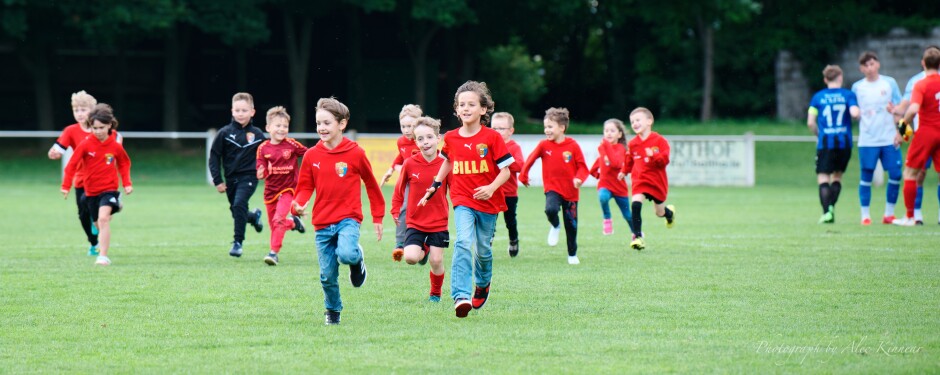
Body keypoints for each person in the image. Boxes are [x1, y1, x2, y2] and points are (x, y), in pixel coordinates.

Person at [418, 81, 514, 319]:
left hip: (489, 203)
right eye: (462, 104)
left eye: (472, 104)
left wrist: (491, 188)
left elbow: (506, 171)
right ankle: (461, 296)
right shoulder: (450, 138)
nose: (466, 108)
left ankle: (482, 284)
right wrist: (435, 185)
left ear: (483, 110)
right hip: (462, 200)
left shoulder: (492, 138)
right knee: (462, 242)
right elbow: (447, 161)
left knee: (482, 251)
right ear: (456, 110)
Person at [292, 97, 385, 325]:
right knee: (327, 276)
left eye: (327, 123)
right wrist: (298, 203)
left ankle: (357, 259)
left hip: (348, 218)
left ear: (341, 124)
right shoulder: (312, 155)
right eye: (318, 123)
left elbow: (372, 185)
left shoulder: (356, 153)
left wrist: (378, 216)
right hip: (322, 222)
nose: (321, 128)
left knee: (346, 254)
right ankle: (332, 312)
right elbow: (304, 186)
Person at [60, 104, 132, 266]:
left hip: (109, 189)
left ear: (109, 126)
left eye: (101, 127)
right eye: (94, 128)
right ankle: (116, 206)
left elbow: (124, 163)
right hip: (91, 191)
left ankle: (103, 256)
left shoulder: (114, 145)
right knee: (97, 223)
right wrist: (66, 185)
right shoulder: (86, 144)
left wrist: (127, 183)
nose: (98, 131)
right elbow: (72, 165)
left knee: (103, 219)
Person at [519, 107, 589, 265]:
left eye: (550, 127)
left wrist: (579, 179)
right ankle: (555, 225)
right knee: (550, 209)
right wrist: (523, 175)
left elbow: (583, 167)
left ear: (562, 128)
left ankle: (572, 254)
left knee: (571, 225)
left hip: (571, 193)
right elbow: (530, 159)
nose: (546, 130)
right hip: (552, 189)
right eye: (545, 127)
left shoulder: (573, 146)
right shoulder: (543, 145)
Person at [391, 116, 450, 302]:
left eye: (429, 137)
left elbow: (455, 189)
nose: (426, 143)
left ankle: (435, 292)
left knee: (436, 261)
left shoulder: (446, 163)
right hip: (415, 221)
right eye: (420, 139)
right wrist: (394, 209)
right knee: (410, 258)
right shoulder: (409, 163)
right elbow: (399, 189)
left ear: (438, 138)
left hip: (439, 221)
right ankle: (423, 247)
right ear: (415, 141)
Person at [48, 90, 110, 256]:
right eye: (76, 110)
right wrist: (54, 152)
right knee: (83, 213)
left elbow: (114, 144)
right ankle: (93, 242)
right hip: (81, 180)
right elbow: (59, 147)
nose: (79, 114)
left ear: (92, 111)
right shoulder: (70, 131)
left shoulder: (100, 129)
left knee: (100, 212)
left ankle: (99, 223)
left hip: (101, 179)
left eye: (83, 110)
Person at [208, 92, 266, 258]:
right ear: (232, 111)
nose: (241, 113)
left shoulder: (258, 135)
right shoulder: (224, 133)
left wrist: (266, 169)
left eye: (244, 110)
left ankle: (237, 243)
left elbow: (267, 155)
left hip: (249, 177)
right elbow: (214, 156)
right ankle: (253, 216)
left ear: (252, 112)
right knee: (237, 211)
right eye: (238, 110)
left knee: (239, 204)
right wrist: (217, 180)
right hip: (230, 179)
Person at [851, 51, 903, 225]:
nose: (870, 68)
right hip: (868, 140)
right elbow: (853, 109)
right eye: (866, 65)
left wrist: (901, 132)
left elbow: (900, 109)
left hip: (889, 138)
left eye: (872, 64)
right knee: (866, 176)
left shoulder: (889, 83)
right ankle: (865, 215)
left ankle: (889, 214)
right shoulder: (857, 87)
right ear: (861, 69)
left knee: (895, 174)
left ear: (878, 64)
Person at [892, 45, 940, 225]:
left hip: (926, 131)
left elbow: (913, 109)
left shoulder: (920, 84)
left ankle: (910, 216)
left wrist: (902, 127)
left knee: (910, 173)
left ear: (923, 63)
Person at [806, 65, 860, 224]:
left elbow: (810, 122)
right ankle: (831, 209)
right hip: (844, 143)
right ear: (840, 78)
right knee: (837, 177)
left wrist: (819, 133)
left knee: (823, 178)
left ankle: (826, 211)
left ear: (825, 79)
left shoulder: (817, 97)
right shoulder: (848, 95)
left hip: (825, 143)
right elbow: (855, 113)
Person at [255, 106, 308, 266]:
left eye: (285, 126)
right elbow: (260, 168)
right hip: (270, 192)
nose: (282, 129)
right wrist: (260, 172)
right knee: (275, 225)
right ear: (268, 128)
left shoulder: (292, 145)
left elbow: (309, 154)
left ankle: (273, 253)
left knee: (278, 220)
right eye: (278, 126)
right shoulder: (263, 148)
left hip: (289, 190)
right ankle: (293, 223)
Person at [617, 107, 674, 250]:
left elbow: (664, 161)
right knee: (635, 204)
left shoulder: (660, 141)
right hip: (640, 180)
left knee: (659, 212)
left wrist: (653, 155)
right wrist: (624, 171)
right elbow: (629, 160)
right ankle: (638, 237)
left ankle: (669, 213)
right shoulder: (633, 144)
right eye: (632, 121)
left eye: (638, 120)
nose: (634, 123)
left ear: (650, 121)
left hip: (657, 182)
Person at [382, 104, 422, 260]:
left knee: (423, 212)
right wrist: (391, 169)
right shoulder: (401, 142)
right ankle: (400, 244)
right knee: (403, 209)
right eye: (403, 126)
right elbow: (401, 156)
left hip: (423, 184)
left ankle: (424, 245)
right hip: (407, 183)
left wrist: (406, 168)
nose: (406, 130)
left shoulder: (422, 141)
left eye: (410, 126)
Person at [589, 119, 633, 236]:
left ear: (619, 134)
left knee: (627, 215)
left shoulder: (621, 148)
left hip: (619, 187)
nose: (608, 133)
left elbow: (616, 164)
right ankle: (607, 219)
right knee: (603, 197)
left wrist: (605, 148)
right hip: (605, 185)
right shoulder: (603, 149)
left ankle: (636, 233)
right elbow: (592, 170)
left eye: (612, 131)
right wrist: (600, 177)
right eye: (606, 130)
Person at [491, 112, 524, 257]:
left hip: (509, 193)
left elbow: (518, 166)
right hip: (491, 191)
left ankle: (513, 240)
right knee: (490, 220)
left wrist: (505, 158)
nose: (497, 132)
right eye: (494, 128)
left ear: (511, 131)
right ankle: (487, 243)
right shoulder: (487, 146)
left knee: (510, 220)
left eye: (501, 129)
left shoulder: (514, 147)